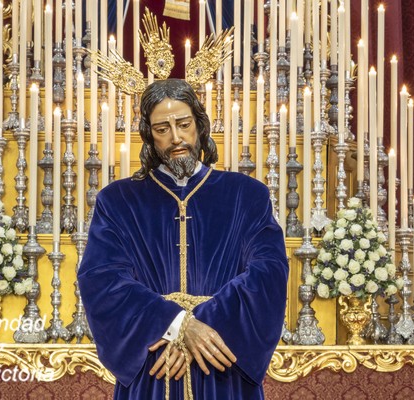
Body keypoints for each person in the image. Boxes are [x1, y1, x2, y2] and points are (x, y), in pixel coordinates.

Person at [78, 79, 288, 399]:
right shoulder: (118, 201)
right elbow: (102, 279)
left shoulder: (246, 196)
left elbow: (269, 272)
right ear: (149, 135)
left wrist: (201, 325)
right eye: (162, 129)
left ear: (200, 125)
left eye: (184, 124)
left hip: (220, 361)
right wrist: (177, 324)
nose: (176, 137)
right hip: (156, 364)